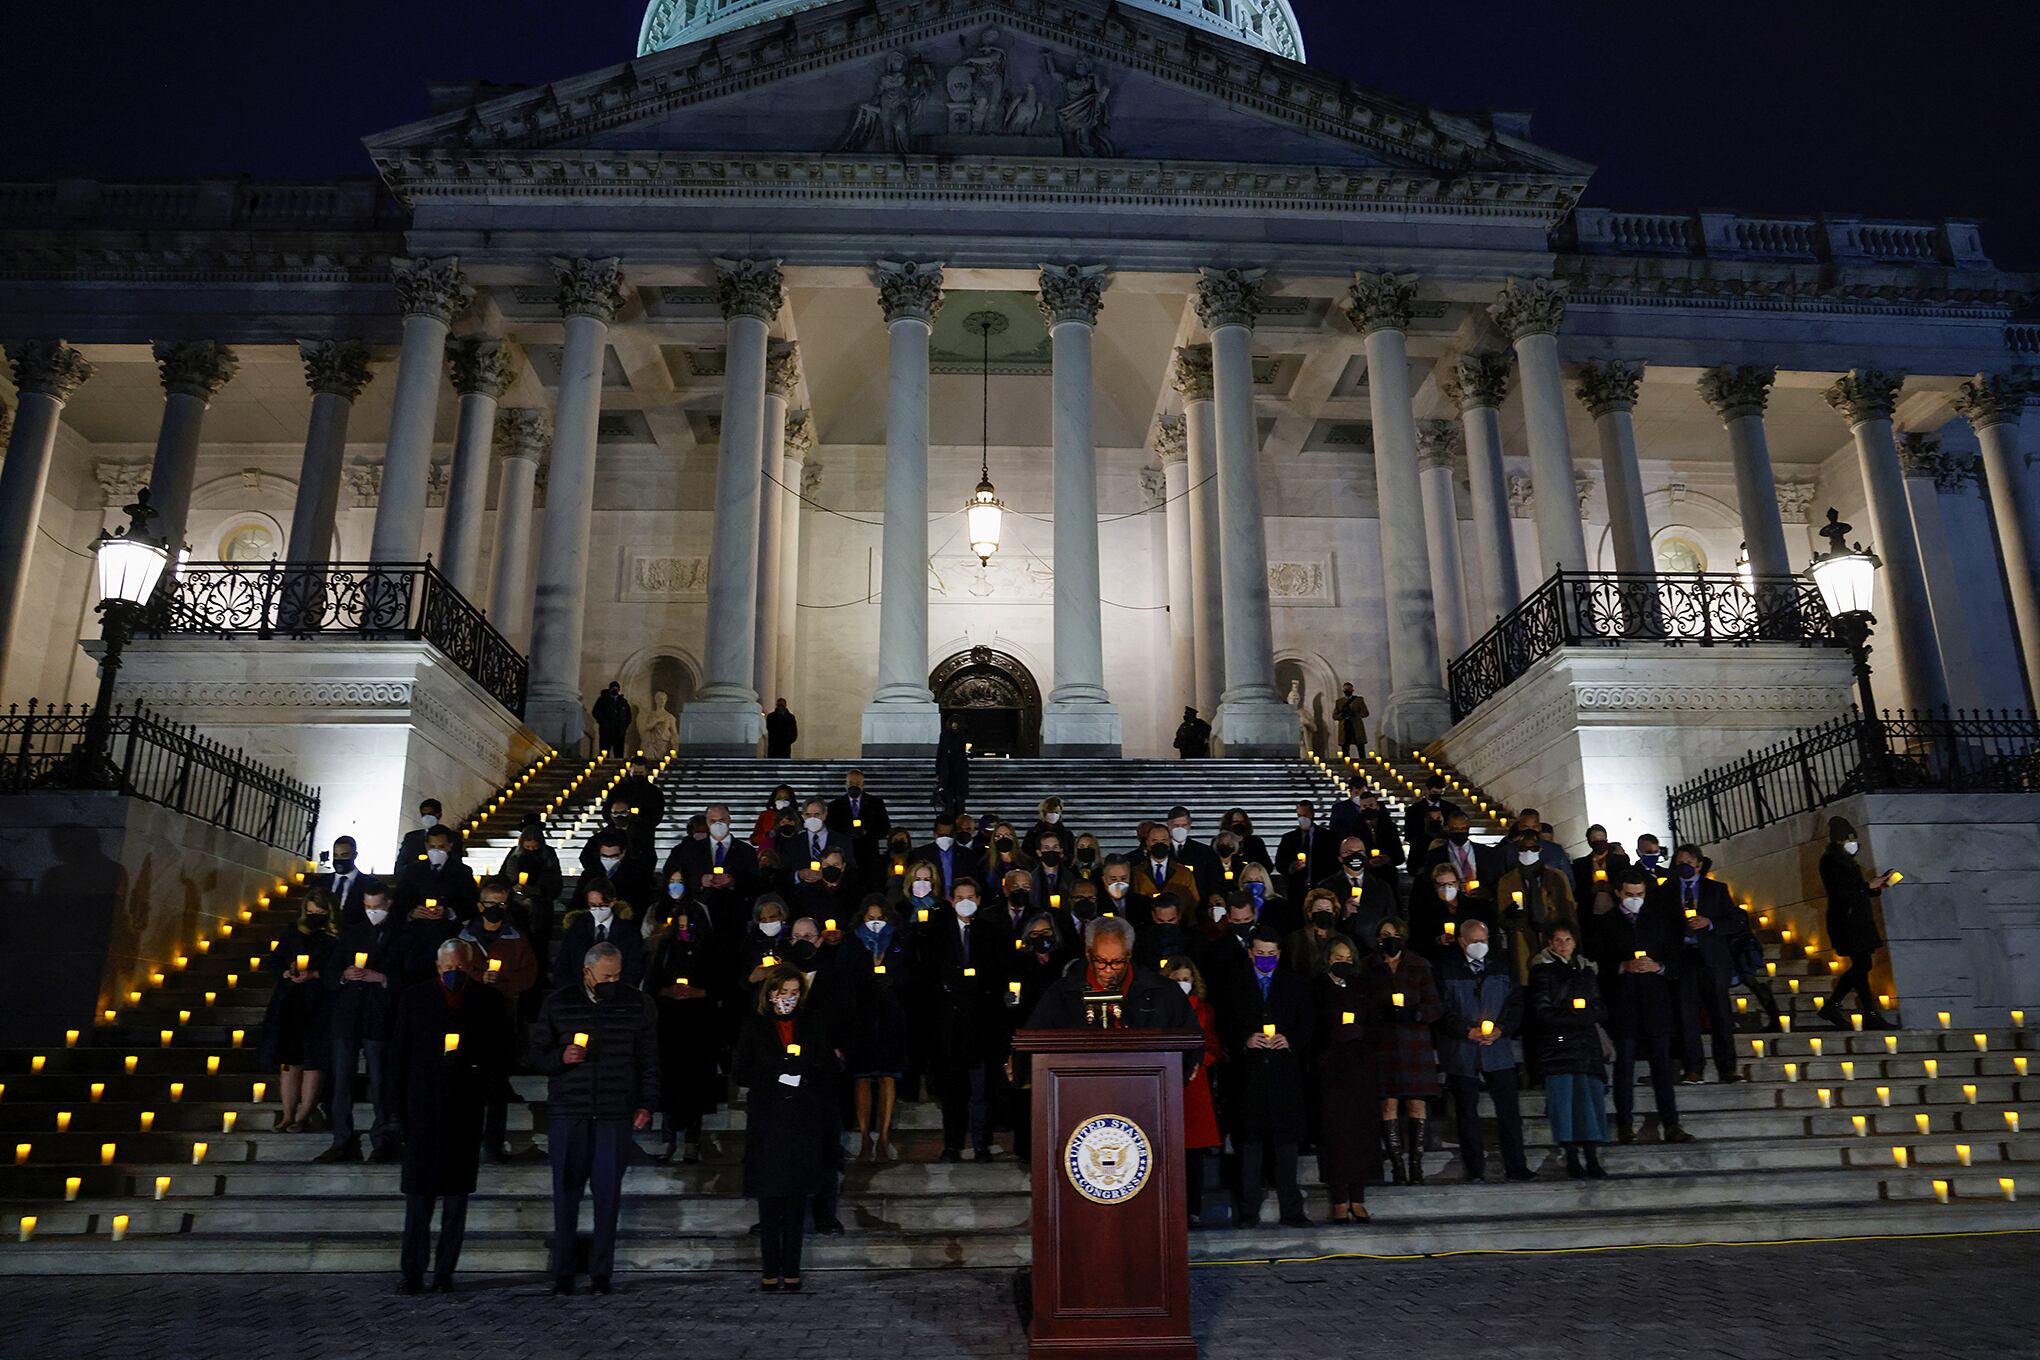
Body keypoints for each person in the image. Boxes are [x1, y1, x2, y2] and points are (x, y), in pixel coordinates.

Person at [529, 941, 658, 1295]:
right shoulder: (559, 1002)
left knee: (607, 1196)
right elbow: (536, 1054)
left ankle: (602, 1274)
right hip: (570, 1113)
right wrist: (561, 1057)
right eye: (606, 976)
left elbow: (648, 1059)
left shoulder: (637, 1003)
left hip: (614, 1114)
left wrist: (647, 1103)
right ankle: (564, 1273)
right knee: (566, 1195)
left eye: (617, 975)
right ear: (587, 972)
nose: (612, 981)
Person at [388, 938, 510, 1293]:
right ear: (438, 966)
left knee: (456, 1201)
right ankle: (412, 1272)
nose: (454, 973)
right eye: (448, 967)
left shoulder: (488, 1000)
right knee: (418, 1199)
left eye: (461, 968)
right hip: (422, 1110)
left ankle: (445, 1273)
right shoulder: (415, 998)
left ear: (470, 967)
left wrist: (473, 1067)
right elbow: (399, 1054)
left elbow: (501, 1050)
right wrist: (395, 1111)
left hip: (464, 1110)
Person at [733, 966, 839, 1292]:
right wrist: (775, 1075)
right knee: (770, 1200)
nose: (787, 999)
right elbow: (741, 1071)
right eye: (782, 992)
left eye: (794, 993)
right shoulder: (755, 1025)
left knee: (795, 1199)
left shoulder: (812, 1023)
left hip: (802, 1119)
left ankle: (791, 1271)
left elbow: (827, 1066)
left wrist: (804, 1074)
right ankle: (769, 1271)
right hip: (769, 1120)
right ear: (770, 993)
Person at [1587, 867, 1694, 1145]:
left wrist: (1658, 967)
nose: (1635, 899)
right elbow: (1597, 963)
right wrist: (1623, 966)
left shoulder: (1657, 920)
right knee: (1624, 1067)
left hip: (1655, 1001)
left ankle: (1671, 1124)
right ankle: (1624, 1124)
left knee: (1662, 1067)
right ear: (1618, 893)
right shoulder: (1605, 923)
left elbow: (1677, 960)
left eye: (1640, 894)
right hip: (1623, 1003)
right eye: (1630, 895)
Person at [1223, 930, 1315, 1227]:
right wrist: (1244, 1040)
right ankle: (1249, 1210)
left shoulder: (1294, 983)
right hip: (1248, 1077)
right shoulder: (1234, 983)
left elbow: (1309, 1023)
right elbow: (1224, 1024)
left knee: (1286, 1147)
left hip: (1284, 1075)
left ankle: (1291, 1209)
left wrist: (1291, 1041)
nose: (1266, 959)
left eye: (1271, 954)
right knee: (1250, 1147)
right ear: (1250, 953)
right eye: (1261, 954)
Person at [1434, 919, 1535, 1183]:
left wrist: (1501, 1029)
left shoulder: (1501, 966)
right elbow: (1442, 1008)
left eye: (1484, 940)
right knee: (1467, 1113)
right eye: (1474, 941)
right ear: (1462, 942)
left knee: (1509, 1112)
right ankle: (1475, 1169)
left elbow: (1515, 1003)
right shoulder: (1446, 969)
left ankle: (1516, 1166)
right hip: (1462, 1051)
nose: (1480, 945)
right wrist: (1466, 1031)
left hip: (1497, 1049)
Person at [316, 884, 403, 1164]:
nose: (372, 911)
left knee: (380, 1080)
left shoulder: (403, 933)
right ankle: (342, 1139)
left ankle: (383, 1139)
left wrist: (383, 978)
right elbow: (330, 974)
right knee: (342, 1080)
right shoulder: (353, 933)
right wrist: (344, 975)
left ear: (388, 904)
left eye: (377, 906)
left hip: (379, 1016)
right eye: (367, 906)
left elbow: (413, 973)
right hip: (348, 1015)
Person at [459, 881, 539, 1159]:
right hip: (469, 1018)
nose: (495, 909)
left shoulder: (516, 938)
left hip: (502, 1018)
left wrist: (503, 981)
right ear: (480, 905)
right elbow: (455, 968)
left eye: (501, 904)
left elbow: (529, 974)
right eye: (490, 904)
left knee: (496, 1086)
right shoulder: (465, 937)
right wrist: (479, 978)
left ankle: (492, 1142)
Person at [1655, 842, 1745, 1084]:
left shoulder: (1716, 890)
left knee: (1720, 1015)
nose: (1683, 867)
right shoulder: (1666, 891)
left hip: (1712, 959)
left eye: (1688, 863)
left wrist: (1710, 923)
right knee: (1686, 1016)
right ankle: (1693, 1068)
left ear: (1699, 865)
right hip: (1683, 958)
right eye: (1679, 863)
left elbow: (1735, 922)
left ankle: (1727, 1068)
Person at [928, 878, 1003, 1162]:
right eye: (960, 897)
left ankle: (981, 1145)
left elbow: (996, 974)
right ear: (951, 901)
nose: (965, 902)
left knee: (980, 1092)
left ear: (979, 900)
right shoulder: (939, 933)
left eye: (970, 896)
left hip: (981, 1026)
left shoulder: (990, 932)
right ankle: (952, 1145)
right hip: (949, 1027)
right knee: (952, 1093)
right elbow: (933, 975)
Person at [1362, 917, 1441, 1185]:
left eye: (1394, 934)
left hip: (1414, 1042)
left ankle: (1416, 1164)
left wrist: (1415, 1013)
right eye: (1385, 934)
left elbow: (1435, 1005)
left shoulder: (1419, 965)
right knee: (1388, 1103)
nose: (1389, 939)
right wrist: (1380, 1013)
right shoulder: (1368, 966)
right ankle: (1397, 1165)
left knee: (1416, 1103)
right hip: (1383, 1042)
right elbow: (1362, 1003)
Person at [1527, 925, 1609, 1178]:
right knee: (1565, 1103)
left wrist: (1585, 1014)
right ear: (1551, 943)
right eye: (1558, 940)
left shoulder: (1586, 970)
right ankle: (1572, 1156)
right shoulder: (1543, 971)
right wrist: (1574, 1015)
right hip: (1559, 1047)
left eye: (1568, 939)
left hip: (1586, 1046)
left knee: (1590, 1102)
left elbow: (1600, 1007)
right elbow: (1542, 1010)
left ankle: (1593, 1157)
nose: (1563, 944)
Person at [1314, 936, 1382, 1222]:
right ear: (1328, 959)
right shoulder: (1317, 987)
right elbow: (1312, 1023)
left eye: (1348, 958)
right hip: (1331, 1066)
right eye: (1337, 958)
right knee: (1337, 1132)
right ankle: (1339, 1198)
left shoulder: (1362, 987)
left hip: (1360, 1066)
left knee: (1361, 1131)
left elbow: (1375, 1021)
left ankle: (1358, 1196)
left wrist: (1359, 1032)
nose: (1343, 963)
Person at [261, 888, 337, 1132]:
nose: (314, 916)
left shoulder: (336, 937)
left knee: (313, 1060)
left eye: (320, 912)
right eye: (310, 911)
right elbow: (275, 960)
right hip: (292, 1000)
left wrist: (315, 974)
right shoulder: (293, 931)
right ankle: (287, 1114)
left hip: (319, 1003)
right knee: (289, 1061)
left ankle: (304, 1114)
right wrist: (285, 971)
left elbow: (339, 970)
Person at [842, 895, 912, 1160]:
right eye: (870, 918)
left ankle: (882, 1138)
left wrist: (888, 977)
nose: (875, 923)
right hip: (860, 1019)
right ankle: (863, 1138)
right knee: (861, 1078)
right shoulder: (851, 942)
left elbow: (907, 975)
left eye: (880, 918)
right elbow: (843, 976)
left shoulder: (897, 941)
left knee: (887, 1077)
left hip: (890, 1017)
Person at [1818, 817, 1897, 1029]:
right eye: (1847, 840)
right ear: (1838, 841)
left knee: (1862, 966)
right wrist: (1866, 886)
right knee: (1863, 965)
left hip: (1858, 919)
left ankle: (1839, 1007)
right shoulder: (1830, 860)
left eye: (1854, 839)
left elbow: (1857, 890)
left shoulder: (1848, 862)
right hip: (1846, 921)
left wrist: (1876, 885)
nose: (1852, 843)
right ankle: (1862, 1011)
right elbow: (1839, 892)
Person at [1163, 958, 1224, 1227]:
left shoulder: (1205, 1009)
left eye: (1186, 979)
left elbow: (1212, 1044)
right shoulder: (1160, 1009)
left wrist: (1200, 1061)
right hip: (1166, 1081)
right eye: (1177, 979)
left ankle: (1193, 1209)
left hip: (1195, 1085)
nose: (1182, 984)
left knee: (1194, 1154)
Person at [1495, 827, 1577, 985]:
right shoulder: (1507, 881)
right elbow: (1502, 917)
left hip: (1555, 942)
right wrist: (1509, 915)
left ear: (1540, 849)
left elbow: (1569, 913)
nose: (1528, 853)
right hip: (1523, 944)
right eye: (1523, 849)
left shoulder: (1557, 877)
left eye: (1533, 848)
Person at [556, 882, 645, 990]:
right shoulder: (577, 929)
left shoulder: (629, 932)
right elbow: (563, 964)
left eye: (602, 905)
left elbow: (635, 968)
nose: (597, 910)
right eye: (593, 905)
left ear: (613, 902)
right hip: (580, 995)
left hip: (618, 994)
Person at [827, 770, 891, 887]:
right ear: (845, 784)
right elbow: (830, 829)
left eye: (857, 784)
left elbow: (885, 828)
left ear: (863, 785)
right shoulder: (834, 806)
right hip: (845, 854)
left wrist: (867, 832)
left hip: (869, 856)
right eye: (851, 783)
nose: (853, 786)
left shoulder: (876, 804)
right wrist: (847, 832)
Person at [1275, 801, 1337, 903]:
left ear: (1312, 814)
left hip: (1322, 887)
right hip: (1296, 889)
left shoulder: (1328, 837)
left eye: (1305, 815)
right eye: (1299, 815)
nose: (1302, 818)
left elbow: (1334, 863)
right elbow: (1280, 864)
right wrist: (1292, 867)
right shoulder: (1288, 838)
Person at [1572, 824, 1631, 917]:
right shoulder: (1580, 864)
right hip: (1590, 914)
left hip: (1617, 912)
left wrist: (1612, 888)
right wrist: (1590, 890)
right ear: (1589, 842)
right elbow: (1576, 891)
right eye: (1595, 839)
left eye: (1602, 839)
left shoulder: (1620, 861)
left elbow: (1627, 883)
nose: (1599, 842)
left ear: (1606, 840)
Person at [396, 799, 462, 870]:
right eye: (423, 814)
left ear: (439, 814)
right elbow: (401, 864)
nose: (426, 817)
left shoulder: (453, 836)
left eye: (430, 814)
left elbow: (456, 862)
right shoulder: (411, 837)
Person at [319, 837, 371, 916]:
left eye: (344, 855)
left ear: (355, 855)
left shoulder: (369, 884)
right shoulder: (320, 883)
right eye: (335, 855)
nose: (339, 859)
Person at [935, 716, 970, 811]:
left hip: (959, 771)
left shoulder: (964, 735)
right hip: (947, 771)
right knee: (948, 799)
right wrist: (938, 771)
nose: (954, 726)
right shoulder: (945, 735)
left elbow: (970, 750)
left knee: (959, 799)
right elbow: (940, 752)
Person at [592, 681, 632, 755]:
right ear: (609, 689)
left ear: (619, 690)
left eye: (616, 688)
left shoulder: (623, 702)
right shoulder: (602, 700)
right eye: (613, 688)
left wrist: (624, 726)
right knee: (604, 752)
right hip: (606, 731)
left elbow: (628, 716)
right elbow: (596, 712)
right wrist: (604, 723)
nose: (615, 690)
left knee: (619, 753)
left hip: (619, 732)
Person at [1332, 682, 1368, 756]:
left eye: (1349, 689)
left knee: (1360, 747)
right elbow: (1335, 716)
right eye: (1345, 689)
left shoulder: (1358, 700)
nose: (1347, 690)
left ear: (1352, 690)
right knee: (1345, 748)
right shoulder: (1339, 702)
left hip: (1356, 727)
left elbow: (1365, 713)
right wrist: (1342, 715)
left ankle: (1363, 764)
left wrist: (1354, 714)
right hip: (1345, 727)